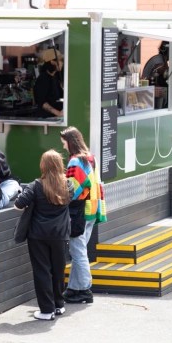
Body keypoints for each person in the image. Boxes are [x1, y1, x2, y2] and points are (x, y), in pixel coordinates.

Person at [14, 150, 74, 320]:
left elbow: (18, 205)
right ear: (59, 165)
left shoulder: (35, 185)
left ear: (43, 165)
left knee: (42, 271)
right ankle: (59, 305)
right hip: (60, 235)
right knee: (58, 270)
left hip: (38, 235)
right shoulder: (68, 185)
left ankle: (46, 310)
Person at [60, 126, 107, 304]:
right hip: (92, 208)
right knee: (79, 250)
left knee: (78, 251)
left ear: (70, 142)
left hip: (79, 211)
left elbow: (72, 189)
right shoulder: (90, 158)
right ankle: (74, 288)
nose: (63, 146)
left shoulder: (75, 162)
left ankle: (85, 289)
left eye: (64, 142)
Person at [33, 48, 64, 118]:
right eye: (60, 60)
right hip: (47, 118)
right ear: (52, 62)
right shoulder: (43, 79)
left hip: (55, 117)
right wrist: (58, 113)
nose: (62, 63)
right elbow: (42, 102)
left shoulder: (55, 78)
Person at [142, 41, 169, 109]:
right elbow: (163, 72)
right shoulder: (159, 62)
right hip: (149, 93)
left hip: (149, 91)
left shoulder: (158, 58)